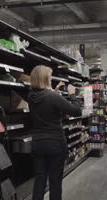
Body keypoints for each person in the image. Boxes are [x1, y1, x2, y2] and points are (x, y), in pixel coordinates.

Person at [28, 65, 82, 200]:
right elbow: (76, 111)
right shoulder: (52, 97)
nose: (51, 79)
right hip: (55, 143)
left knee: (40, 179)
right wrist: (72, 94)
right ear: (45, 78)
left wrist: (55, 92)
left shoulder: (30, 96)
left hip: (38, 142)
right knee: (55, 181)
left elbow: (45, 103)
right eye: (50, 77)